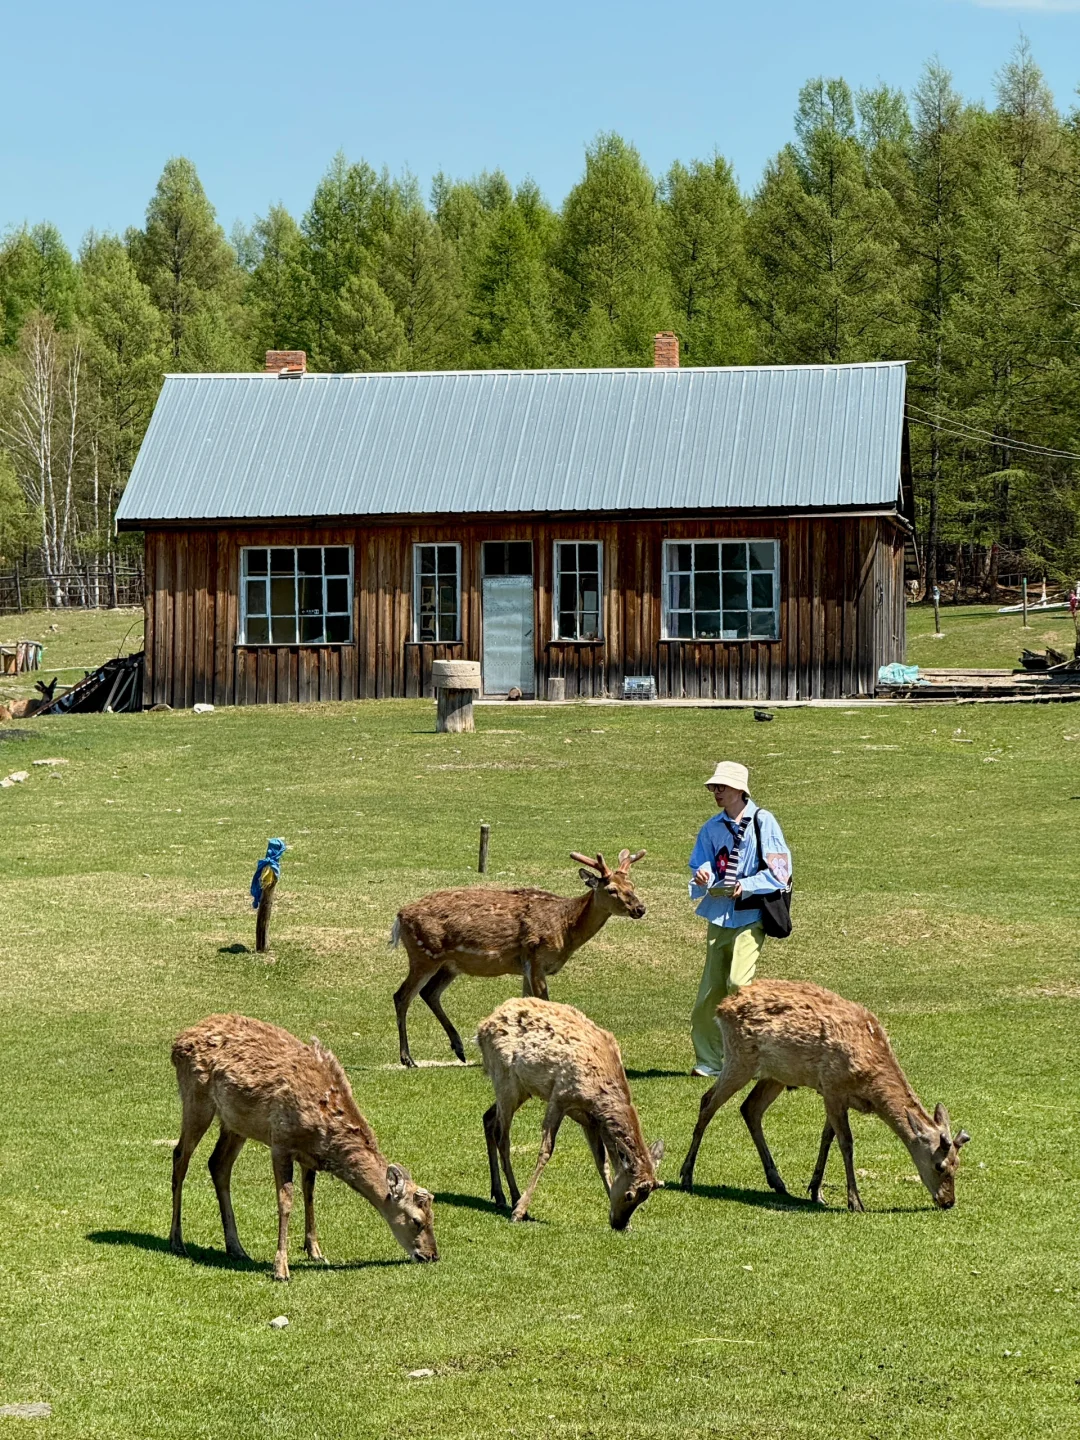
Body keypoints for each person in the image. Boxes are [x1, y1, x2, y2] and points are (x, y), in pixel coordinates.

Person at [687, 761, 792, 1077]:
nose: (715, 792)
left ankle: (755, 1056)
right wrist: (702, 874)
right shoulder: (712, 827)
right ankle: (709, 1062)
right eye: (713, 787)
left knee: (739, 984)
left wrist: (747, 885)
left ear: (739, 790)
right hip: (718, 915)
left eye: (721, 787)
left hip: (750, 914)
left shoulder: (764, 821)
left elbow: (781, 872)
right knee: (709, 995)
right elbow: (698, 863)